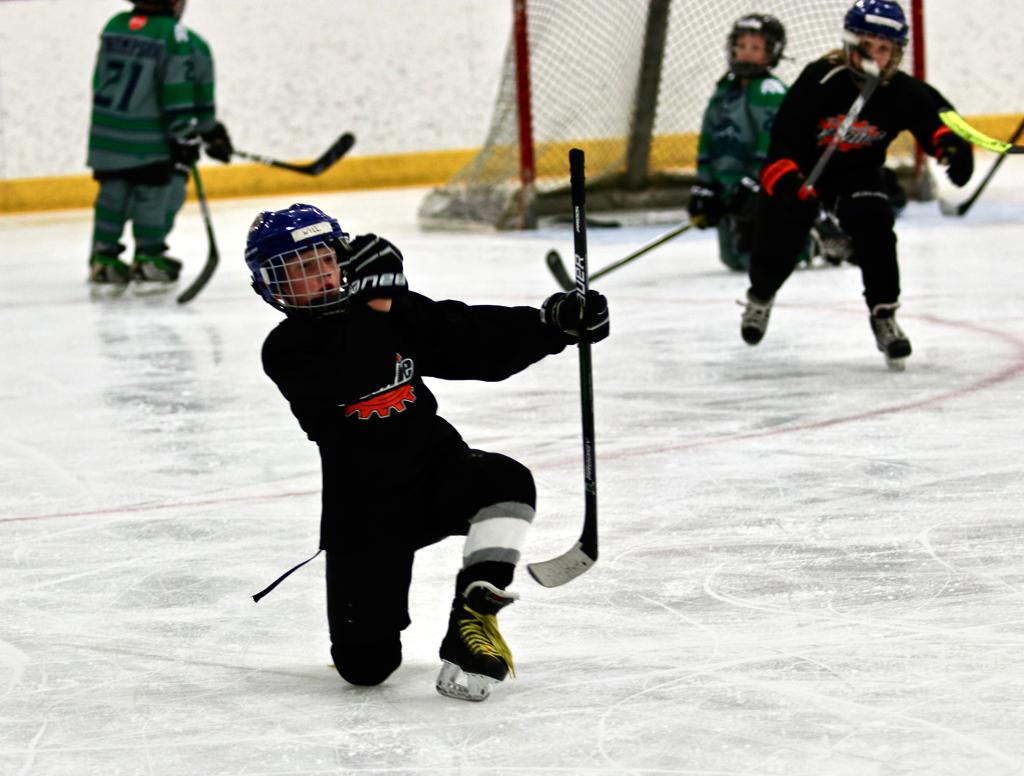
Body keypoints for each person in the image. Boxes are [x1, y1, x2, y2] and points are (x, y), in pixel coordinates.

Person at [245, 203, 610, 701]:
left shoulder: (394, 313)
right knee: (366, 666)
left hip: (435, 472)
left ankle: (474, 615)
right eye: (302, 269)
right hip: (365, 513)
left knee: (504, 480)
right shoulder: (285, 350)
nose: (321, 275)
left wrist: (552, 326)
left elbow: (466, 338)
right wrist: (381, 307)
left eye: (325, 260)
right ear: (272, 287)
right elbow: (348, 367)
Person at [738, 0, 973, 369]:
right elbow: (782, 141)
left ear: (896, 52)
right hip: (803, 172)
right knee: (780, 232)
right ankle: (761, 295)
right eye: (868, 47)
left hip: (858, 173)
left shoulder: (901, 90)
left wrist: (951, 147)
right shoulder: (820, 78)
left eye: (885, 49)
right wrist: (786, 180)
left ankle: (884, 315)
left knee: (875, 223)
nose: (876, 58)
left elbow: (938, 118)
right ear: (850, 43)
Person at [86, 0, 232, 286]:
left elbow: (98, 80)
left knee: (111, 196)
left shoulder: (114, 25)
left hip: (107, 135)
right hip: (149, 139)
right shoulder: (176, 36)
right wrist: (190, 132)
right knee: (154, 195)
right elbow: (177, 86)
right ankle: (148, 256)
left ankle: (103, 257)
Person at [687, 14, 793, 272]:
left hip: (762, 189)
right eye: (741, 46)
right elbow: (708, 137)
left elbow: (774, 142)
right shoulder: (724, 91)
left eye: (755, 48)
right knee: (732, 260)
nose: (745, 54)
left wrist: (756, 180)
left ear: (772, 52)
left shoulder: (769, 91)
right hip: (728, 188)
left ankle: (810, 238)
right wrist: (705, 184)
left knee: (759, 259)